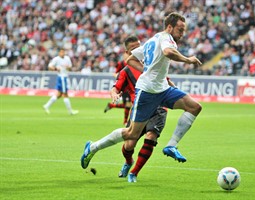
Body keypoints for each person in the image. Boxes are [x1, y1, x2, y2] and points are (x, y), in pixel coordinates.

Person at [81, 12, 202, 182]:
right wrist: (188, 60)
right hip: (147, 92)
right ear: (169, 27)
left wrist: (147, 69)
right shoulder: (166, 39)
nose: (182, 33)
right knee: (131, 134)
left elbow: (130, 59)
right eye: (180, 29)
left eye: (184, 30)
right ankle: (92, 148)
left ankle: (171, 146)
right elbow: (168, 52)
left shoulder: (152, 40)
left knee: (194, 107)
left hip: (163, 89)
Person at [81, 35, 172, 182]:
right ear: (128, 52)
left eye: (139, 47)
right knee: (129, 145)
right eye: (133, 49)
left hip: (158, 108)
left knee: (151, 136)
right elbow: (115, 87)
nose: (137, 50)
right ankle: (128, 162)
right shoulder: (126, 70)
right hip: (140, 108)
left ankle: (134, 173)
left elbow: (166, 81)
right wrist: (114, 94)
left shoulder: (152, 63)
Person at [43, 48, 78, 115]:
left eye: (63, 52)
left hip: (65, 77)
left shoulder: (67, 58)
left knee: (59, 95)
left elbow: (70, 67)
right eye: (61, 52)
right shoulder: (56, 59)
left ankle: (46, 106)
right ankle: (70, 111)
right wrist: (56, 68)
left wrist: (68, 67)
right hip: (61, 77)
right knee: (65, 94)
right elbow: (50, 66)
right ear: (59, 53)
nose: (62, 53)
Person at [103, 47, 132, 125]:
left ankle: (112, 105)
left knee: (129, 104)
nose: (125, 56)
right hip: (125, 87)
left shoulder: (132, 62)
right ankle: (125, 121)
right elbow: (115, 73)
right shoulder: (121, 63)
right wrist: (120, 77)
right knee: (128, 104)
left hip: (131, 86)